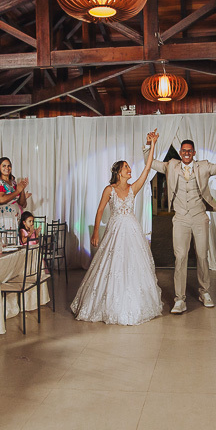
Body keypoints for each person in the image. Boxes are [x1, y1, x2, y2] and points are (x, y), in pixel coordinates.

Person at [144, 130, 216, 314]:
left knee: (202, 255)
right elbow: (149, 162)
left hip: (200, 217)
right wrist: (148, 145)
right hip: (181, 218)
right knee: (181, 257)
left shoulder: (204, 166)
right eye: (183, 150)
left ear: (194, 153)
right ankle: (180, 299)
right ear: (180, 152)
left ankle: (204, 291)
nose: (186, 153)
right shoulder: (171, 165)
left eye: (189, 151)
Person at [73, 136, 163, 325]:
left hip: (131, 230)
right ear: (119, 172)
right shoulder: (109, 189)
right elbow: (99, 211)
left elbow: (147, 169)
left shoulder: (133, 188)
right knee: (111, 265)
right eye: (126, 167)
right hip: (115, 230)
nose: (130, 169)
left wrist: (152, 145)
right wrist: (96, 231)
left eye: (129, 167)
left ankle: (135, 303)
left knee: (133, 265)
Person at [0, 156, 29, 234]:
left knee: (13, 241)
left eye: (9, 166)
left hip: (14, 216)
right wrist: (17, 191)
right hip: (3, 216)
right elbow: (1, 200)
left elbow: (22, 203)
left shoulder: (13, 182)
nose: (7, 168)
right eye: (4, 166)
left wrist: (21, 189)